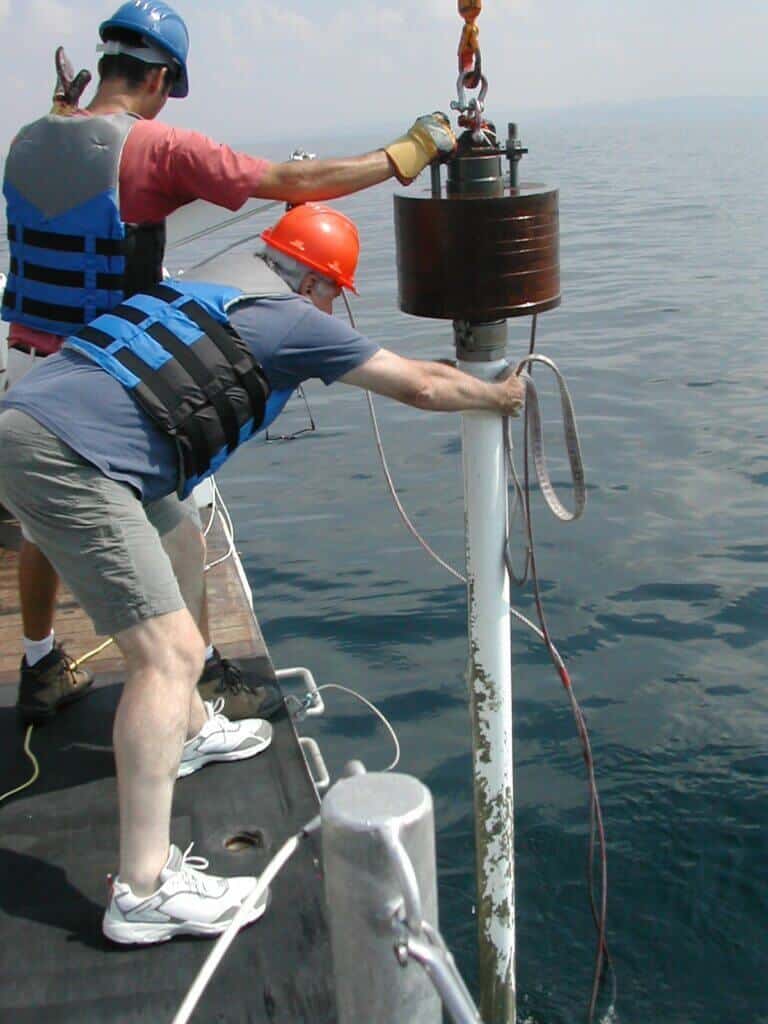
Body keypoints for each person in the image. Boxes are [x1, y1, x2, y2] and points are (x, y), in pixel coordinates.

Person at [0, 202, 525, 944]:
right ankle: (142, 892)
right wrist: (500, 396)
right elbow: (422, 386)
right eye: (333, 292)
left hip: (29, 422)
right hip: (69, 463)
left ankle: (186, 729)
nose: (330, 306)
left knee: (179, 535)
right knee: (170, 655)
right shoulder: (292, 320)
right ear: (315, 282)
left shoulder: (204, 286)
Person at [1, 0, 457, 726]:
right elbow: (296, 184)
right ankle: (200, 687)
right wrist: (409, 150)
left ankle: (39, 661)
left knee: (37, 524)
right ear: (159, 81)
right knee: (184, 527)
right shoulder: (157, 148)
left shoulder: (28, 138)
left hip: (24, 372)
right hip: (103, 381)